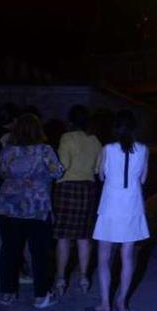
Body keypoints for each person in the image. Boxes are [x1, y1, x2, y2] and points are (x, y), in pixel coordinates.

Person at [0, 113, 64, 308]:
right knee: (40, 253)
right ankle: (41, 296)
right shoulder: (45, 150)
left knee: (9, 251)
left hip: (9, 207)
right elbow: (57, 172)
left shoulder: (8, 151)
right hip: (38, 208)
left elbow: (1, 171)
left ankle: (7, 293)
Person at [89, 110, 150, 311]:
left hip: (110, 205)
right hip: (132, 204)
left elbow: (101, 176)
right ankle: (122, 301)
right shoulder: (143, 149)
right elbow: (143, 179)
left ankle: (105, 303)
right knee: (128, 255)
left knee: (104, 256)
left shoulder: (107, 149)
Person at [53, 105, 102, 296]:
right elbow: (98, 169)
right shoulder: (95, 140)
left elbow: (63, 166)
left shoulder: (67, 138)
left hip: (67, 189)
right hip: (88, 189)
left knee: (63, 237)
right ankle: (83, 278)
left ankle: (60, 279)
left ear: (71, 121)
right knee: (83, 237)